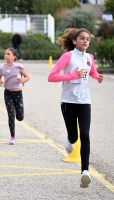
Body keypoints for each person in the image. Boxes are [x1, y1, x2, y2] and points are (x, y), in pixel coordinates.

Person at [47, 28, 103, 188]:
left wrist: (97, 76)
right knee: (74, 136)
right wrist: (72, 76)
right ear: (74, 41)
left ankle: (85, 171)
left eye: (88, 39)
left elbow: (91, 71)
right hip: (68, 101)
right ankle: (70, 140)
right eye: (82, 38)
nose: (86, 41)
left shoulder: (89, 57)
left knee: (85, 135)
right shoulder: (68, 56)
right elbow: (52, 76)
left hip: (85, 101)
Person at [0, 48, 30, 145]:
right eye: (5, 54)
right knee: (10, 115)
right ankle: (12, 136)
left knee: (20, 117)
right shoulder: (2, 68)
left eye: (8, 54)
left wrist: (23, 80)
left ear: (14, 57)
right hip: (8, 93)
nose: (5, 55)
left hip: (18, 93)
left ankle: (17, 111)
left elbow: (27, 77)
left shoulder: (19, 66)